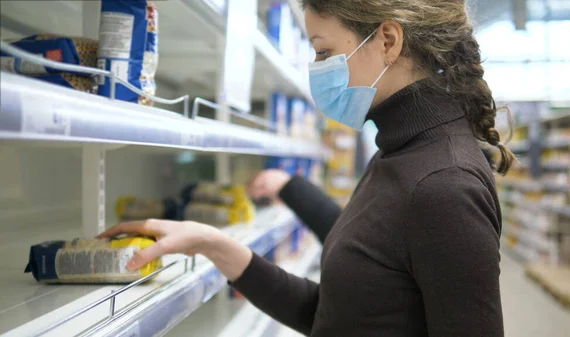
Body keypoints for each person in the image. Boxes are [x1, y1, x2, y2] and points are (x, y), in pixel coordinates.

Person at [99, 1, 516, 336]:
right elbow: (338, 315)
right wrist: (213, 245)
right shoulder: (398, 152)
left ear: (387, 39)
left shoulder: (444, 185)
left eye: (323, 51)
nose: (316, 69)